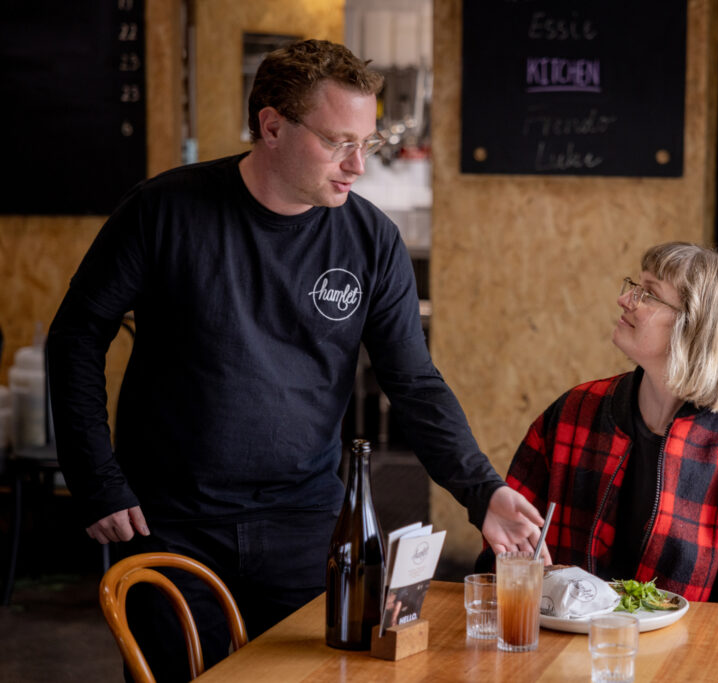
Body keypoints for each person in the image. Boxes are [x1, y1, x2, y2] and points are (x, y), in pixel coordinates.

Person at [47, 39, 546, 681]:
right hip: (171, 521)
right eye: (339, 142)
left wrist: (483, 492)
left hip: (308, 525)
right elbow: (77, 335)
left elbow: (413, 382)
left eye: (367, 142)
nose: (357, 165)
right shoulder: (164, 210)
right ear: (272, 126)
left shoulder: (370, 240)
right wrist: (94, 477)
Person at [479, 242, 718, 605]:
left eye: (648, 294)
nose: (626, 299)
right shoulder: (573, 413)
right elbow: (499, 563)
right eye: (635, 285)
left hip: (687, 658)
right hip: (558, 648)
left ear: (695, 329)